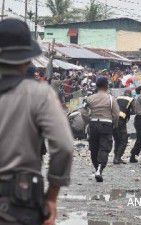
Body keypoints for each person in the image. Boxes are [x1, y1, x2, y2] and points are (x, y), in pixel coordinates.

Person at [0, 19, 73, 225]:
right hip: (19, 200)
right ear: (27, 60)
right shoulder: (40, 94)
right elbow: (64, 146)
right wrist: (52, 195)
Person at [82, 76, 120, 182]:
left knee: (94, 148)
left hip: (93, 124)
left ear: (97, 86)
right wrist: (114, 124)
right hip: (106, 125)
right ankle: (99, 168)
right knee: (104, 148)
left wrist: (88, 121)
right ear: (106, 86)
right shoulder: (111, 99)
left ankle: (96, 168)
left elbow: (83, 111)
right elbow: (116, 114)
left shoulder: (90, 98)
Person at [113, 90, 134, 164]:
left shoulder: (117, 98)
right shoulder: (130, 99)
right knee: (124, 140)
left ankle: (116, 157)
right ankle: (117, 158)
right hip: (121, 121)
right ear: (130, 94)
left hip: (113, 120)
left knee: (117, 140)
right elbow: (134, 110)